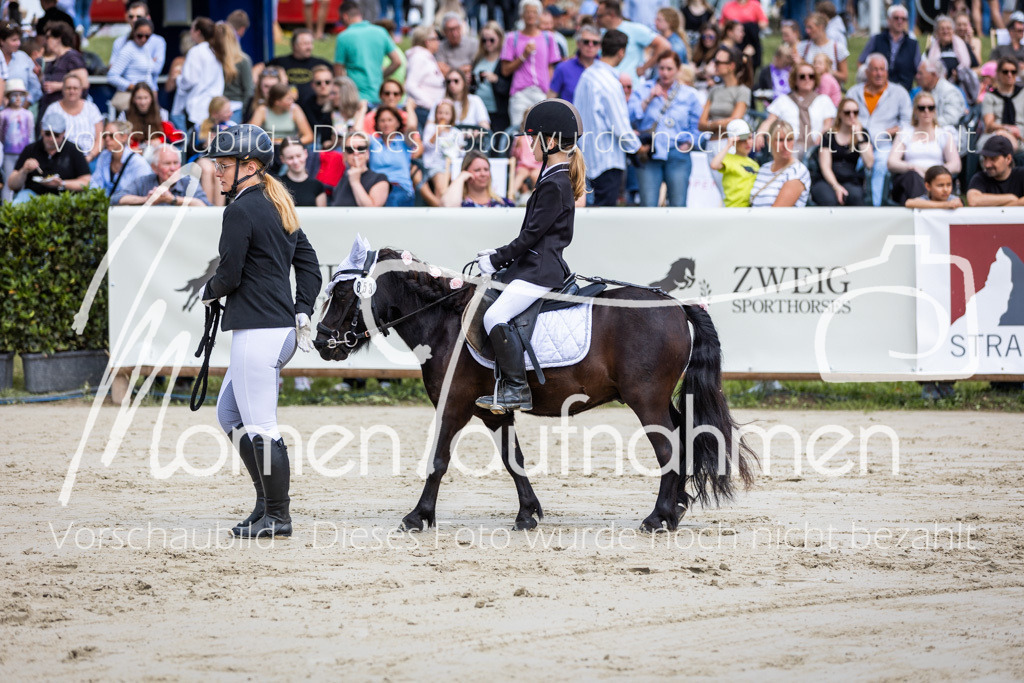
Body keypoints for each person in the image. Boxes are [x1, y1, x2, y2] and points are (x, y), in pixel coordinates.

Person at [200, 124, 322, 539]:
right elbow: (308, 261)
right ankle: (265, 503)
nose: (217, 171)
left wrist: (210, 291)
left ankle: (279, 516)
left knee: (261, 426)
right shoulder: (275, 202)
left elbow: (229, 273)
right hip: (276, 326)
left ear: (248, 166)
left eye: (224, 164)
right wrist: (303, 309)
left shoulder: (241, 209)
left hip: (259, 328)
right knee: (229, 414)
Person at [474, 99, 586, 413]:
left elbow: (531, 236)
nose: (529, 146)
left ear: (549, 141)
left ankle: (515, 390)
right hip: (534, 265)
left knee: (494, 316)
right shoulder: (552, 177)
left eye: (532, 139)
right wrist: (499, 255)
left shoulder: (555, 183)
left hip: (541, 271)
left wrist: (496, 260)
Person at [573, 29, 640, 206]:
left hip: (585, 156)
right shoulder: (610, 82)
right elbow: (619, 126)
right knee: (603, 219)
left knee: (589, 216)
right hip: (607, 160)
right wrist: (637, 148)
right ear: (621, 52)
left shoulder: (586, 75)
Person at [632, 51, 702, 207]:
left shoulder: (688, 95)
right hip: (649, 152)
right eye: (661, 68)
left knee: (678, 204)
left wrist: (691, 142)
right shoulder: (644, 89)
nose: (665, 73)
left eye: (669, 69)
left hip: (677, 152)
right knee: (648, 204)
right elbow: (630, 118)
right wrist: (648, 99)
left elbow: (698, 125)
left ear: (677, 70)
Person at [847, 53, 912, 206]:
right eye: (875, 69)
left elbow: (907, 123)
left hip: (886, 143)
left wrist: (888, 132)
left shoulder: (898, 93)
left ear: (887, 72)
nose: (879, 73)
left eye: (882, 69)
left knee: (881, 165)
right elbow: (844, 117)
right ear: (867, 72)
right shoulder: (854, 92)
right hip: (857, 142)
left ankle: (875, 206)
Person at [888, 92, 961, 205]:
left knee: (937, 183)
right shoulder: (905, 133)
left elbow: (956, 165)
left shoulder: (944, 134)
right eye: (922, 108)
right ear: (915, 111)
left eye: (930, 108)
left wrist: (934, 172)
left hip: (935, 179)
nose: (926, 111)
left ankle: (928, 206)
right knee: (913, 178)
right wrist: (912, 167)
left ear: (935, 110)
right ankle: (926, 207)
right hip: (910, 178)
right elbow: (892, 162)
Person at [755, 61, 836, 158]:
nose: (807, 79)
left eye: (811, 76)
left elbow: (828, 125)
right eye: (802, 76)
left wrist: (822, 137)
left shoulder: (823, 100)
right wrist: (760, 134)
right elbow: (769, 121)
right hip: (789, 146)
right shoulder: (783, 100)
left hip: (816, 147)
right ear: (795, 80)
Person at [501, 0, 562, 128]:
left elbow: (550, 67)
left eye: (534, 12)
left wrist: (549, 94)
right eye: (527, 12)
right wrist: (523, 56)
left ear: (539, 15)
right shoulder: (512, 38)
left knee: (543, 132)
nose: (531, 15)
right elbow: (505, 70)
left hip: (541, 92)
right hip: (520, 93)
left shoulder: (548, 38)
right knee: (518, 131)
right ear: (522, 15)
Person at [6, 112, 90, 204]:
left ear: (63, 133)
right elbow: (12, 185)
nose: (51, 139)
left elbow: (86, 182)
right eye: (48, 134)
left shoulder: (74, 150)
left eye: (56, 135)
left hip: (64, 198)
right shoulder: (30, 149)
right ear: (42, 131)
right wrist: (24, 170)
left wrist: (62, 184)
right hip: (33, 196)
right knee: (19, 201)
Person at [333, 1, 402, 104]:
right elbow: (397, 61)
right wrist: (380, 75)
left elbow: (338, 72)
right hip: (379, 95)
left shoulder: (343, 37)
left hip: (356, 98)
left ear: (345, 16)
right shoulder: (380, 32)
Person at [811, 96, 873, 206]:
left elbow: (869, 163)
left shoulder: (862, 134)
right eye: (847, 112)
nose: (852, 116)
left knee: (856, 197)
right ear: (840, 114)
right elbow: (825, 167)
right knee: (829, 200)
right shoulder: (828, 135)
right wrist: (836, 186)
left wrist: (859, 135)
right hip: (826, 180)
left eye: (855, 112)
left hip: (849, 180)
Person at [111, 143, 209, 206]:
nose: (173, 168)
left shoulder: (189, 182)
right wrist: (146, 199)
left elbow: (205, 206)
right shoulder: (144, 181)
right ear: (154, 168)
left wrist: (172, 200)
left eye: (176, 163)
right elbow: (115, 199)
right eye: (167, 163)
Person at [595, 0, 671, 78]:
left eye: (600, 16)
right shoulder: (600, 33)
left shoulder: (634, 29)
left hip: (631, 86)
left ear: (612, 15)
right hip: (607, 83)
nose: (596, 20)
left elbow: (664, 45)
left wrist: (643, 68)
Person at [698, 46, 751, 157]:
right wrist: (721, 124)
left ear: (731, 66)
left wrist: (712, 124)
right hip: (712, 144)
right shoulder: (714, 90)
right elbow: (701, 124)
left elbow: (735, 121)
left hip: (729, 145)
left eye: (718, 62)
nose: (714, 65)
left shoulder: (742, 91)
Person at [173, 18, 224, 131]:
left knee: (196, 145)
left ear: (198, 32)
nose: (190, 31)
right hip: (213, 107)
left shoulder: (195, 52)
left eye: (192, 28)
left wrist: (178, 78)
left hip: (197, 109)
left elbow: (190, 80)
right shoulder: (215, 51)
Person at [41, 73, 103, 163]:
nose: (72, 91)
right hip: (59, 159)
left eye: (75, 88)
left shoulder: (91, 108)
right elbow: (44, 135)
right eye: (68, 88)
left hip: (89, 158)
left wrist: (89, 157)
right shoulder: (53, 109)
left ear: (81, 90)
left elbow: (100, 138)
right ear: (62, 89)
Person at [858, 4, 920, 92]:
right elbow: (861, 62)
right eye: (896, 18)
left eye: (903, 19)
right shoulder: (877, 39)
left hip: (904, 91)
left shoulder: (912, 44)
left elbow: (919, 71)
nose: (900, 21)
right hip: (878, 90)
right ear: (889, 20)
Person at [749, 119, 811, 207]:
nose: (785, 145)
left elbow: (777, 213)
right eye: (780, 140)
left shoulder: (797, 171)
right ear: (769, 141)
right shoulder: (764, 168)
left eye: (789, 139)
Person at [369, 105, 420, 206]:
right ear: (377, 124)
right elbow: (356, 132)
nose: (386, 124)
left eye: (390, 120)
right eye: (382, 120)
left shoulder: (404, 141)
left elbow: (412, 126)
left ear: (397, 123)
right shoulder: (373, 142)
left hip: (400, 187)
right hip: (376, 187)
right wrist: (361, 109)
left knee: (392, 200)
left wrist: (409, 107)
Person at [268, 28, 331, 104]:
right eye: (305, 44)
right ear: (294, 45)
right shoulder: (281, 62)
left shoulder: (320, 63)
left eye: (310, 43)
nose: (309, 47)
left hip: (315, 106)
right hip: (288, 105)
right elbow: (260, 68)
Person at [38, 22, 87, 121]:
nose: (45, 41)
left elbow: (84, 83)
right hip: (50, 111)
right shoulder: (55, 60)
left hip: (66, 115)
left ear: (58, 39)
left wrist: (58, 86)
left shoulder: (72, 57)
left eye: (48, 37)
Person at [88, 120, 150, 196]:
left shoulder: (138, 163)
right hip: (106, 205)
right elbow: (94, 184)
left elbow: (144, 192)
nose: (107, 139)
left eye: (111, 136)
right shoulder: (103, 156)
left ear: (124, 137)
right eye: (104, 136)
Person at [709, 118, 760, 207]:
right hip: (733, 208)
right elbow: (714, 165)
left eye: (750, 138)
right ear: (734, 141)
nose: (748, 142)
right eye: (742, 140)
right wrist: (728, 145)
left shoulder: (754, 164)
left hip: (750, 209)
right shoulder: (728, 158)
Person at [331, 131, 390, 206]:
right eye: (350, 149)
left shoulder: (379, 179)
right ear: (344, 155)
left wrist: (355, 182)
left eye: (361, 148)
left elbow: (372, 211)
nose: (356, 153)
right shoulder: (340, 179)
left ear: (367, 153)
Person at [109, 1, 166, 76]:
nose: (134, 20)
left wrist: (124, 63)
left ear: (148, 18)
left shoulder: (158, 41)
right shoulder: (119, 42)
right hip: (127, 86)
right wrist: (149, 62)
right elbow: (112, 69)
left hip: (149, 87)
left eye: (139, 17)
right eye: (131, 17)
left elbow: (157, 70)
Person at [405, 24, 446, 128]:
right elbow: (410, 85)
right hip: (423, 110)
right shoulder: (419, 57)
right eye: (436, 39)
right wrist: (431, 104)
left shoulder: (426, 57)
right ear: (427, 41)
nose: (439, 42)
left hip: (427, 110)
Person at [980, 57, 1024, 152]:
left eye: (1013, 72)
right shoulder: (990, 96)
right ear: (998, 73)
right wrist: (1007, 129)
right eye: (1005, 71)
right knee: (996, 142)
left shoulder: (1022, 94)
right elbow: (989, 125)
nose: (1009, 75)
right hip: (996, 133)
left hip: (1020, 133)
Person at [249, 83, 315, 146]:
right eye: (288, 99)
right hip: (268, 147)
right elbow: (251, 134)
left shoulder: (295, 109)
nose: (292, 102)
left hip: (290, 147)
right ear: (277, 102)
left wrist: (290, 143)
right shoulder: (262, 110)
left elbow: (309, 136)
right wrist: (268, 142)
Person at [966, 135, 1024, 205]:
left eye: (993, 159)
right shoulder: (980, 178)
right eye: (985, 158)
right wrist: (1010, 198)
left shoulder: (1021, 174)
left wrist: (1006, 208)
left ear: (1008, 159)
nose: (987, 165)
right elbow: (973, 201)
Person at [548, 24, 600, 103]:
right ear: (578, 43)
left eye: (595, 42)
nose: (590, 45)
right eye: (586, 42)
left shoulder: (605, 69)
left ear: (600, 46)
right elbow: (550, 97)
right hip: (570, 114)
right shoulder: (563, 68)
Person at [442, 149, 514, 206]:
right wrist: (461, 177)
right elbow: (448, 207)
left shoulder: (504, 204)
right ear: (466, 173)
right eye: (477, 170)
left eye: (486, 169)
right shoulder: (461, 204)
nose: (483, 174)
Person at [0, 78, 33, 200]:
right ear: (9, 96)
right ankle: (7, 207)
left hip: (24, 152)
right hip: (8, 152)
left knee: (24, 179)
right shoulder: (3, 114)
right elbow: (1, 133)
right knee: (8, 179)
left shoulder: (27, 114)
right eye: (15, 95)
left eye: (21, 95)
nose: (18, 98)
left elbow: (30, 133)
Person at [107, 18, 159, 96]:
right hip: (133, 97)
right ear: (134, 32)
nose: (143, 39)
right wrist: (133, 87)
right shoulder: (128, 49)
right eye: (140, 36)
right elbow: (112, 76)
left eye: (147, 36)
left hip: (147, 96)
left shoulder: (145, 49)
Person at [473, 21, 509, 132]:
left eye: (491, 40)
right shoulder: (478, 58)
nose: (488, 43)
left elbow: (510, 87)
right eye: (484, 40)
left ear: (499, 38)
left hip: (497, 112)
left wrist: (496, 80)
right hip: (478, 111)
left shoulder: (505, 60)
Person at [124, 82, 182, 150]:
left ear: (151, 98)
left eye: (146, 98)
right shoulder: (125, 115)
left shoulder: (162, 113)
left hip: (157, 151)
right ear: (133, 99)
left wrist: (161, 140)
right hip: (134, 153)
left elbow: (177, 136)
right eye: (139, 98)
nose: (143, 102)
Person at [217, 23, 254, 125]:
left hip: (235, 108)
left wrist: (243, 113)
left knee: (230, 137)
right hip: (216, 107)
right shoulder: (215, 59)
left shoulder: (242, 60)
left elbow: (249, 90)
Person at [916, 60, 968, 131]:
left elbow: (952, 118)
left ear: (933, 74)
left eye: (920, 73)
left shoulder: (950, 92)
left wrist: (927, 124)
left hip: (950, 136)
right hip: (927, 134)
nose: (917, 77)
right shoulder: (923, 91)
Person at [798, 11, 848, 83]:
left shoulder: (837, 48)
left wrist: (828, 71)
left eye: (810, 27)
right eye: (806, 27)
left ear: (821, 27)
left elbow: (844, 77)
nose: (807, 31)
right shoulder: (802, 47)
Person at [1, 22, 42, 106]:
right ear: (2, 41)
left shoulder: (23, 57)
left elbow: (36, 87)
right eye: (14, 40)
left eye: (19, 39)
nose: (18, 43)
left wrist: (25, 103)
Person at [926, 14, 976, 80]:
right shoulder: (931, 50)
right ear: (937, 32)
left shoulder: (964, 46)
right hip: (938, 83)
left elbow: (976, 68)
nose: (946, 31)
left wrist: (959, 75)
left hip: (959, 84)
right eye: (942, 29)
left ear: (953, 31)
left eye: (948, 28)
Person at [279, 138, 326, 207]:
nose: (296, 161)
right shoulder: (277, 185)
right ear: (282, 159)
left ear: (305, 153)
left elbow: (322, 215)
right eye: (290, 158)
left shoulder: (317, 186)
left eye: (298, 156)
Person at [437, 12, 478, 78]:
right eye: (450, 30)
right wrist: (462, 70)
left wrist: (450, 70)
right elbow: (442, 69)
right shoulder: (440, 47)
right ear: (444, 31)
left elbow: (474, 67)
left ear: (461, 28)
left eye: (457, 28)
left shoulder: (472, 43)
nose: (454, 34)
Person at [692, 24, 721, 89]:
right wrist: (703, 71)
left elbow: (710, 71)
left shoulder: (720, 51)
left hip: (713, 86)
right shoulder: (697, 51)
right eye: (704, 36)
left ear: (716, 37)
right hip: (697, 84)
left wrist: (699, 71)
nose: (707, 39)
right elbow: (692, 68)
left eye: (710, 37)